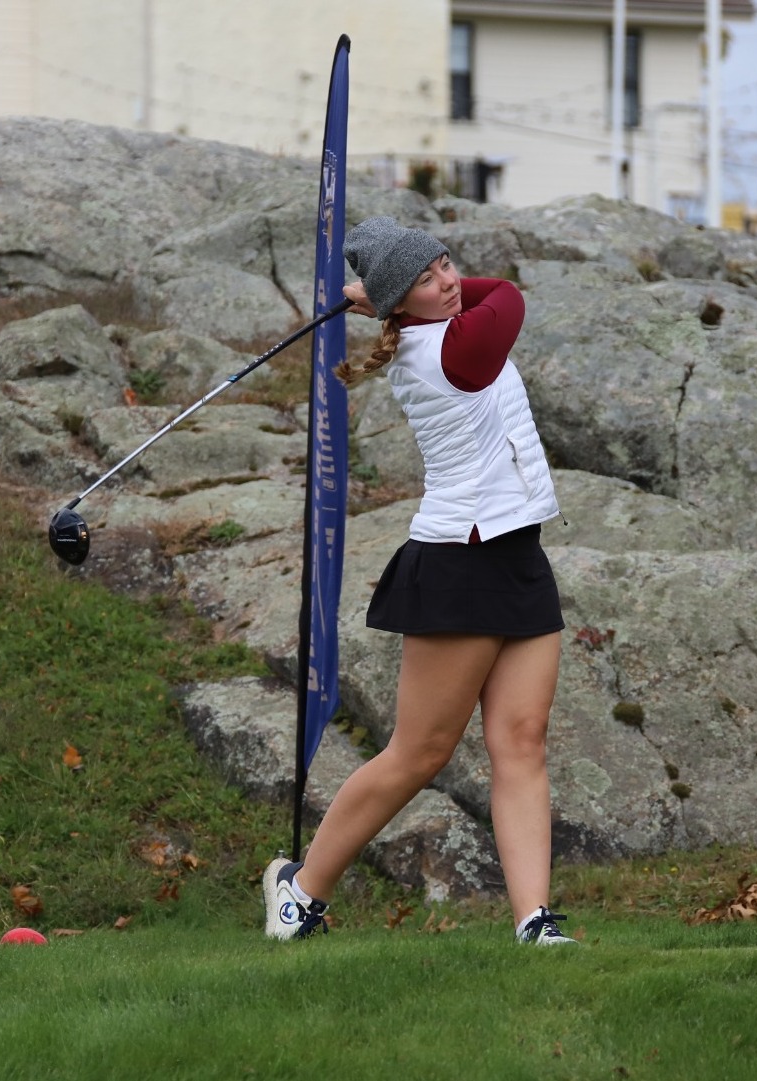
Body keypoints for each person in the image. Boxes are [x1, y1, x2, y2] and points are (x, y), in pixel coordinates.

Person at [262, 216, 575, 946]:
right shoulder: (451, 349)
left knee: (522, 739)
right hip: (459, 561)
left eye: (446, 263)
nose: (449, 281)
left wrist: (397, 292)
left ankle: (533, 919)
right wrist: (395, 296)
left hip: (517, 551)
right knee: (419, 752)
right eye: (429, 278)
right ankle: (299, 891)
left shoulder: (443, 327)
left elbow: (482, 296)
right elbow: (511, 297)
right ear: (401, 303)